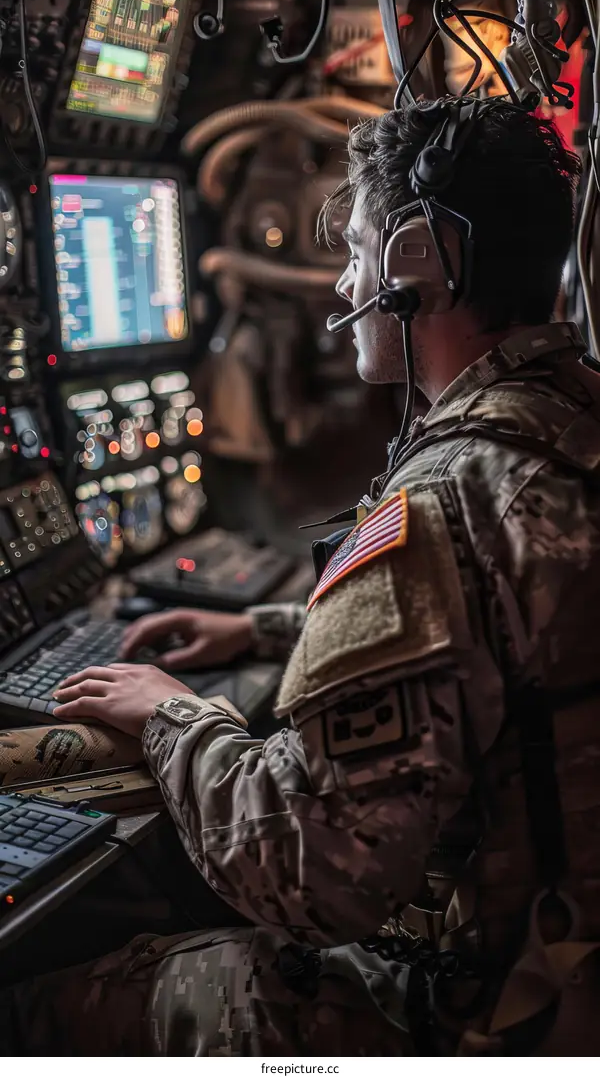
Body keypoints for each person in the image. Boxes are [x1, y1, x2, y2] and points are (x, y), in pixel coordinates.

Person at [3, 96, 600, 1057]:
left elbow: (308, 875)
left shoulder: (448, 498)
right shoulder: (568, 420)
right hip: (568, 969)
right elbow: (507, 618)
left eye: (358, 251)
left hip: (490, 1018)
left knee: (50, 1005)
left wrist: (169, 715)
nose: (345, 283)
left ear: (415, 264)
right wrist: (268, 630)